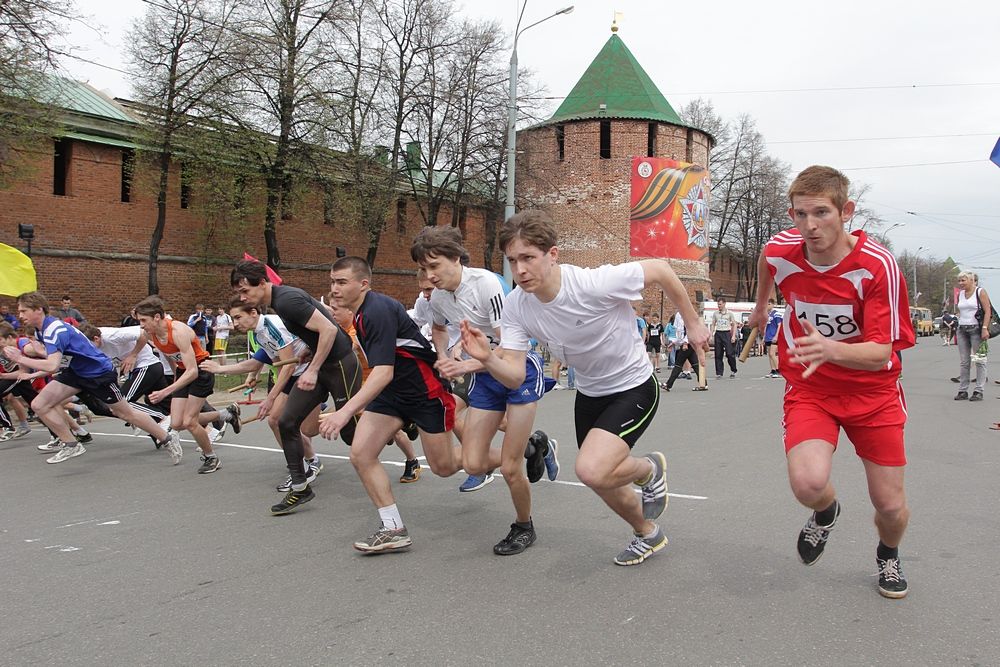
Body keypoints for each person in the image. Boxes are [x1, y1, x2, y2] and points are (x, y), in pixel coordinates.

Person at [461, 209, 710, 566]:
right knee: (600, 478)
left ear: (553, 254)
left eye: (528, 258)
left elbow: (659, 269)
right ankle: (648, 532)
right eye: (513, 261)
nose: (520, 271)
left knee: (591, 469)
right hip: (591, 392)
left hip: (633, 385)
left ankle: (648, 469)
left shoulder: (593, 283)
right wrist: (486, 358)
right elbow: (514, 376)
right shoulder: (517, 305)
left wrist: (692, 319)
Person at [748, 165, 915, 599]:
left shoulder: (877, 266)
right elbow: (767, 259)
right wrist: (762, 306)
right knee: (808, 484)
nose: (810, 226)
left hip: (872, 393)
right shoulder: (783, 249)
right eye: (800, 215)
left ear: (847, 212)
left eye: (821, 213)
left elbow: (882, 352)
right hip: (811, 388)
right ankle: (826, 513)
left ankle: (888, 554)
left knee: (890, 505)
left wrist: (831, 349)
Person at [411, 226, 559, 555]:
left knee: (508, 468)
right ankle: (536, 449)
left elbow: (510, 350)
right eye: (424, 269)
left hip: (516, 372)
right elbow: (437, 329)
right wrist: (444, 355)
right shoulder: (436, 298)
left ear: (455, 258)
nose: (429, 276)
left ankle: (524, 525)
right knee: (476, 464)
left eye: (434, 266)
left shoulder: (485, 284)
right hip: (484, 375)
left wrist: (464, 365)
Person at [322, 256, 464, 552]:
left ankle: (519, 452)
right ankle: (393, 528)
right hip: (392, 396)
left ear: (363, 284)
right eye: (332, 282)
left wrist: (345, 411)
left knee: (445, 466)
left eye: (341, 282)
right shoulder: (359, 314)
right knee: (361, 454)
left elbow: (383, 372)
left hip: (424, 392)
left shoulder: (377, 311)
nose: (334, 289)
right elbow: (383, 373)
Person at [231, 259, 361, 515]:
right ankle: (301, 487)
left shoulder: (287, 300)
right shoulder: (279, 303)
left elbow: (329, 331)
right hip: (320, 365)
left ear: (263, 283)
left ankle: (398, 420)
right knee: (286, 421)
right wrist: (309, 355)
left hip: (340, 365)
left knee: (351, 433)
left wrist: (312, 370)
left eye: (245, 291)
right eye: (239, 293)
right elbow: (316, 330)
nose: (243, 298)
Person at [5, 292, 177, 464]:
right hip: (75, 372)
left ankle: (166, 438)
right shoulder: (42, 330)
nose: (20, 316)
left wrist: (20, 358)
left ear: (38, 310)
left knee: (125, 413)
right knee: (39, 404)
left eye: (23, 311)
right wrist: (32, 370)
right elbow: (60, 360)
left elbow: (52, 365)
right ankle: (71, 444)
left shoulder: (54, 331)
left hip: (98, 374)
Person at [200, 299, 325, 491]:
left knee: (309, 429)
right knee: (276, 420)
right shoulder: (259, 334)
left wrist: (270, 398)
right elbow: (260, 362)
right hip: (294, 376)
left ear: (253, 313)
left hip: (312, 372)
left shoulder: (272, 326)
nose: (235, 323)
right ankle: (304, 465)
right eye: (233, 318)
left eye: (238, 317)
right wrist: (222, 369)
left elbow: (288, 365)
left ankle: (341, 418)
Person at [327, 298, 422, 484]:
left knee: (388, 428)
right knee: (366, 420)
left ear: (349, 312)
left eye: (337, 310)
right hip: (359, 381)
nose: (334, 315)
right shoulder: (341, 331)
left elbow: (351, 346)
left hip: (377, 380)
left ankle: (412, 461)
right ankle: (400, 426)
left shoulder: (355, 329)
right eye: (331, 311)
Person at [133, 296, 225, 472]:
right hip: (184, 371)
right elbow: (169, 355)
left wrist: (166, 391)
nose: (141, 325)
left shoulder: (178, 331)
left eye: (144, 320)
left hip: (201, 370)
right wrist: (176, 377)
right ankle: (224, 414)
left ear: (157, 317)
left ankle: (211, 458)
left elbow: (193, 371)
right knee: (176, 423)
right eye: (140, 321)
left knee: (190, 422)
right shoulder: (149, 333)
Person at [953, 271, 991, 401]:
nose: (961, 283)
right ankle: (963, 390)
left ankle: (978, 390)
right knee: (964, 362)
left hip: (976, 329)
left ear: (971, 280)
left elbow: (987, 311)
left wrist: (985, 328)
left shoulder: (980, 292)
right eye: (959, 281)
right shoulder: (961, 294)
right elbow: (961, 310)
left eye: (963, 280)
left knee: (979, 360)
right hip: (962, 329)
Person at [661, 308, 705, 391]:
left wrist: (685, 342)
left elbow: (690, 330)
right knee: (695, 364)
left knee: (678, 364)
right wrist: (674, 342)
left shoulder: (689, 314)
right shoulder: (678, 315)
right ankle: (703, 383)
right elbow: (678, 331)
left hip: (688, 343)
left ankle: (668, 384)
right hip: (683, 343)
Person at [710, 297, 738, 379]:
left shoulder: (729, 313)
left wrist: (733, 336)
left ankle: (733, 369)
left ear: (724, 304)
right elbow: (713, 324)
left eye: (720, 304)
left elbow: (734, 324)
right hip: (718, 333)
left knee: (729, 353)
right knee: (718, 354)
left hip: (726, 333)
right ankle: (719, 373)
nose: (719, 306)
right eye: (718, 304)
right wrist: (711, 334)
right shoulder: (715, 314)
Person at [764, 298, 783, 378]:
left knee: (772, 354)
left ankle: (779, 370)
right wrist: (764, 336)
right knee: (769, 354)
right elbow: (766, 326)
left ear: (772, 304)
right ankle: (773, 370)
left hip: (774, 336)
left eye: (768, 304)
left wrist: (776, 335)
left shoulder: (776, 314)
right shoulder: (767, 315)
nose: (767, 306)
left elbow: (779, 325)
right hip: (768, 336)